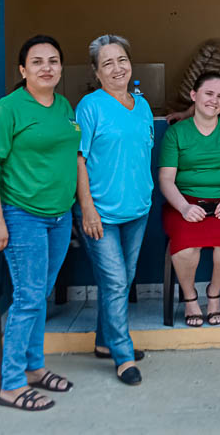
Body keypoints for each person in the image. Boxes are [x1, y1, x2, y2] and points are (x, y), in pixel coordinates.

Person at [0, 35, 81, 411]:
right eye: (37, 62)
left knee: (39, 296)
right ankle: (11, 384)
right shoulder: (8, 110)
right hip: (23, 215)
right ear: (23, 70)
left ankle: (35, 368)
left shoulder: (63, 105)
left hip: (58, 216)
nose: (47, 68)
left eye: (53, 60)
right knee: (27, 298)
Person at [75, 35, 154, 385]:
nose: (117, 68)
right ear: (96, 71)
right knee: (115, 281)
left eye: (121, 60)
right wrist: (87, 208)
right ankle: (123, 356)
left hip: (138, 209)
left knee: (121, 281)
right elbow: (78, 159)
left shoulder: (142, 105)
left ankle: (105, 341)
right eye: (107, 63)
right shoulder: (89, 106)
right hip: (101, 214)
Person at [158, 72, 220, 327]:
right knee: (185, 247)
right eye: (208, 93)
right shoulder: (176, 133)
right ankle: (191, 298)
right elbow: (166, 179)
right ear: (194, 96)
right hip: (185, 203)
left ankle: (214, 293)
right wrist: (183, 207)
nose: (214, 100)